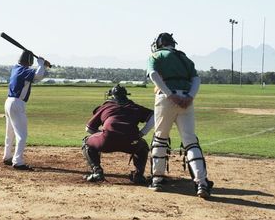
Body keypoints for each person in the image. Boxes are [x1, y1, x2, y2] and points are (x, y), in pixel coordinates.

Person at [146, 32, 213, 198]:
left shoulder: (155, 56)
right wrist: (190, 96)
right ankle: (201, 183)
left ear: (159, 43)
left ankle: (157, 179)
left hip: (165, 99)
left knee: (160, 138)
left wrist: (169, 94)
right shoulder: (185, 59)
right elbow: (196, 79)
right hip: (186, 100)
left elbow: (153, 75)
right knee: (190, 141)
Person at [82, 84, 154, 184]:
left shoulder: (105, 107)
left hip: (106, 141)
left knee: (86, 142)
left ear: (112, 96)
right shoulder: (135, 107)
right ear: (125, 95)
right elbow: (154, 116)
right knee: (143, 146)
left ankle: (97, 172)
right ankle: (138, 175)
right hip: (131, 142)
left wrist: (103, 134)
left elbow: (89, 128)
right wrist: (142, 133)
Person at [2, 50, 50, 170]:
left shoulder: (16, 68)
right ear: (29, 61)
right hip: (17, 103)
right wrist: (40, 64)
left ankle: (7, 156)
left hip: (9, 102)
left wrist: (43, 66)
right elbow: (38, 75)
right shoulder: (24, 71)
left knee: (10, 133)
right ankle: (18, 161)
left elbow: (39, 76)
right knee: (22, 135)